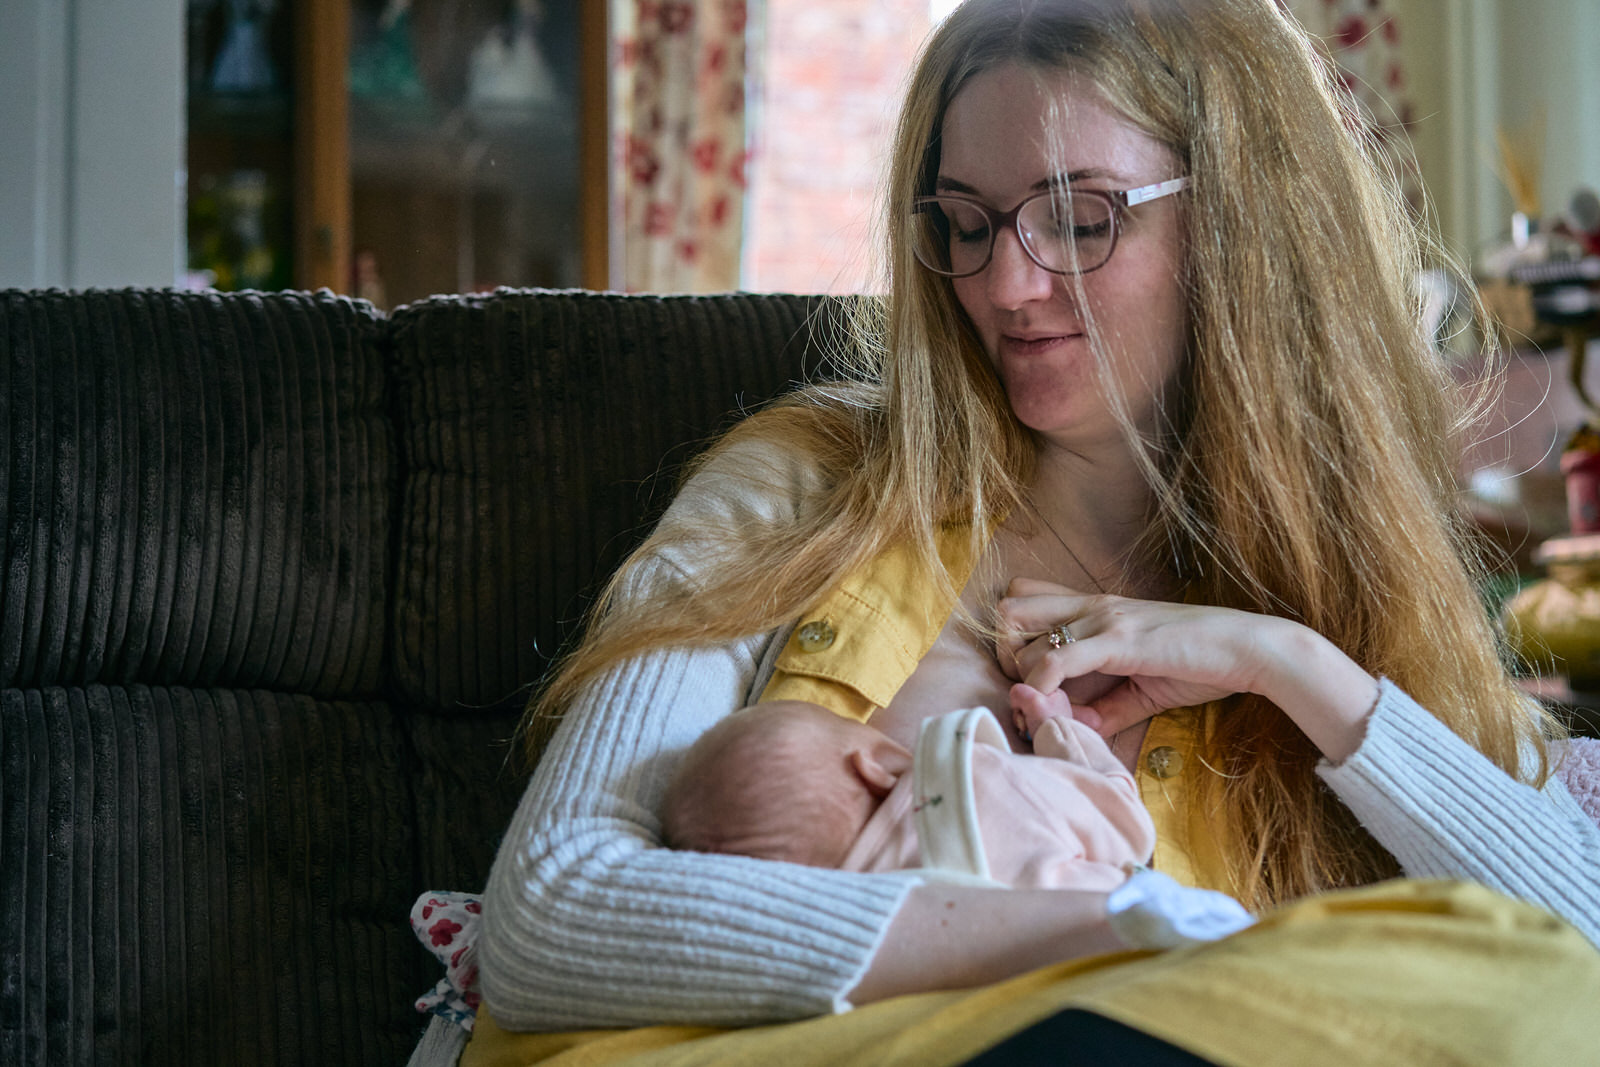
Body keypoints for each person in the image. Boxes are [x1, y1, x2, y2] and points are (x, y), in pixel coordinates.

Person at [467, 0, 1600, 1062]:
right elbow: (553, 912)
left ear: (1242, 223)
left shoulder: (1353, 590)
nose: (1005, 284)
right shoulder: (806, 485)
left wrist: (1289, 663)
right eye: (964, 223)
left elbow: (1570, 952)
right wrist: (1104, 932)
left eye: (1080, 218)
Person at [660, 693, 1157, 890]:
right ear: (875, 765)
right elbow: (1126, 828)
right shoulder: (977, 783)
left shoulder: (857, 935)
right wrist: (1059, 730)